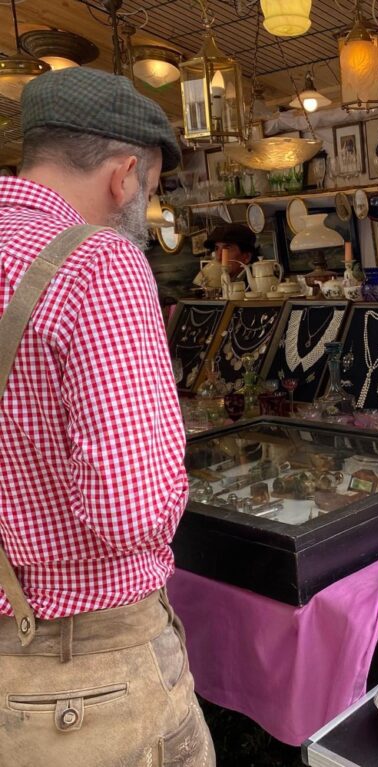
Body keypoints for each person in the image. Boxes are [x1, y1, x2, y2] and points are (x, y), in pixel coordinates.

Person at [0, 67, 214, 765]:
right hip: (87, 676)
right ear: (125, 175)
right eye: (150, 189)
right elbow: (132, 511)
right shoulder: (101, 265)